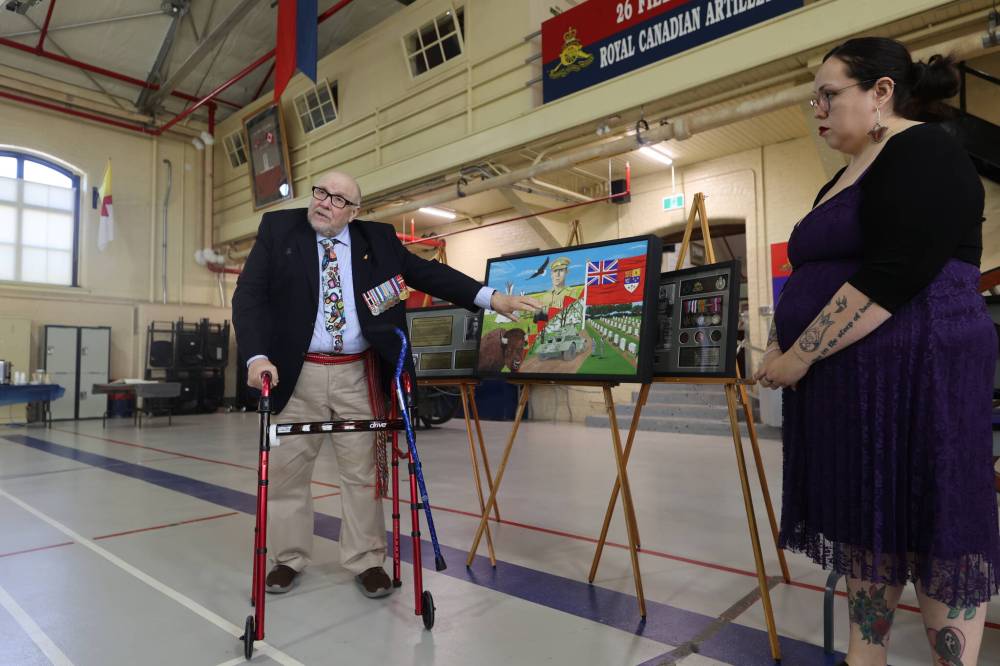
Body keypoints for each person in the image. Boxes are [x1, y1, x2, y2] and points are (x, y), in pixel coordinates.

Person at [754, 38, 998, 666]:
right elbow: (819, 268)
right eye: (815, 99)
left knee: (934, 519)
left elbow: (897, 270)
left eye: (829, 94)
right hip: (862, 382)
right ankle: (868, 654)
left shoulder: (924, 149)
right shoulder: (845, 173)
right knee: (873, 518)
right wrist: (784, 336)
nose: (818, 109)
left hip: (920, 373)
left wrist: (801, 354)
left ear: (882, 92)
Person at [232, 170, 538, 598]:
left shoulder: (377, 240)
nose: (324, 202)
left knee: (361, 473)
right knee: (287, 475)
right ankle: (288, 558)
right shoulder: (279, 230)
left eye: (338, 199)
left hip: (359, 372)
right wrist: (255, 355)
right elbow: (248, 296)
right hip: (294, 372)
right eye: (320, 192)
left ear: (354, 212)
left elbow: (430, 275)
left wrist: (492, 298)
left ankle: (365, 559)